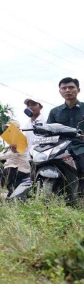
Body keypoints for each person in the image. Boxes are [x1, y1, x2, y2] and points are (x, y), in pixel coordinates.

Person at [46, 77, 84, 206]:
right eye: (64, 88)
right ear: (60, 91)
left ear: (78, 90)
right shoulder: (54, 112)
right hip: (61, 148)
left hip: (81, 147)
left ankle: (80, 198)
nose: (68, 90)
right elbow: (48, 130)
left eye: (71, 87)